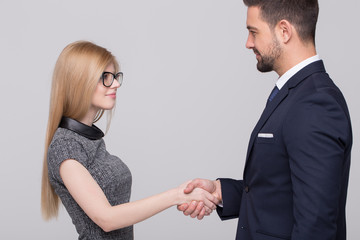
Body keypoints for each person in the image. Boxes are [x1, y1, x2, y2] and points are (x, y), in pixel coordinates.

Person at [178, 0, 352, 239]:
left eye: (253, 32)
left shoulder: (315, 103)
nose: (248, 43)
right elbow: (280, 191)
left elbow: (316, 224)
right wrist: (221, 192)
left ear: (284, 31)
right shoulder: (295, 94)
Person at [40, 41, 219, 239]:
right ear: (79, 81)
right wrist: (177, 195)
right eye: (106, 77)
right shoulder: (65, 147)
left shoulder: (89, 139)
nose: (115, 83)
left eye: (115, 76)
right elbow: (106, 219)